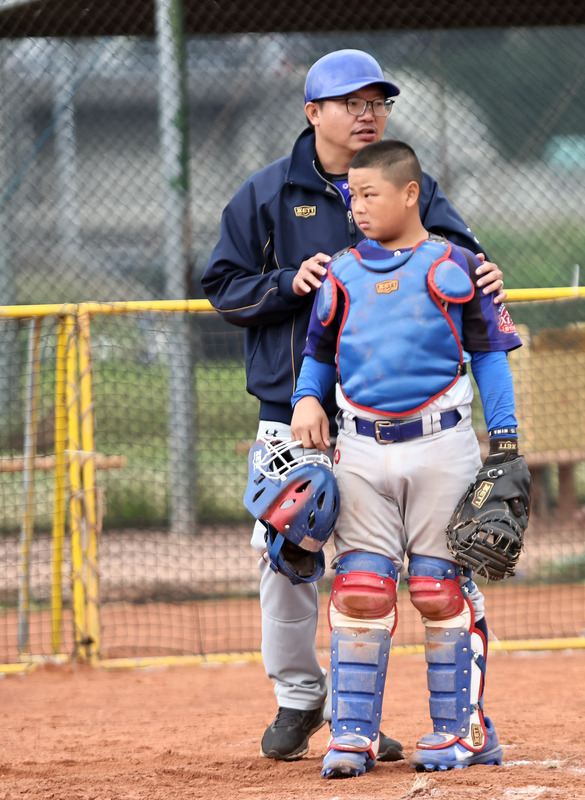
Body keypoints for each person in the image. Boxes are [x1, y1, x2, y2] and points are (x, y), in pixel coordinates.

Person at [201, 48, 506, 764]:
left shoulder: (408, 182)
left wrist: (480, 264)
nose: (366, 113)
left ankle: (366, 714)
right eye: (350, 102)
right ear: (313, 114)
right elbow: (221, 283)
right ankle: (300, 698)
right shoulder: (269, 194)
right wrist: (283, 283)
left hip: (399, 410)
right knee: (288, 556)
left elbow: (460, 256)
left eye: (377, 102)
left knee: (411, 572)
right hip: (297, 409)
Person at [290, 138, 525, 778]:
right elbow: (318, 352)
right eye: (351, 196)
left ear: (410, 193)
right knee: (361, 588)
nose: (357, 207)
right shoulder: (338, 273)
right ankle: (354, 735)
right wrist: (307, 400)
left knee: (437, 587)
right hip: (360, 444)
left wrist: (504, 444)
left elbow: (490, 356)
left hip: (441, 442)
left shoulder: (457, 266)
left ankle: (464, 731)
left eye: (370, 194)